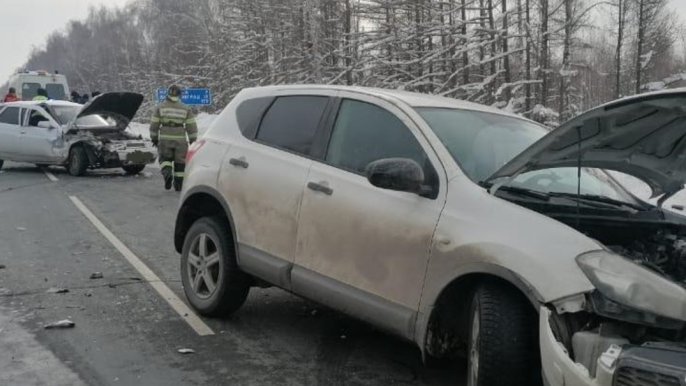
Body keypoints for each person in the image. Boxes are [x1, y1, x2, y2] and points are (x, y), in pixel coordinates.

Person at [149, 85, 197, 191]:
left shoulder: (160, 107)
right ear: (179, 95)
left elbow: (154, 124)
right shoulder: (185, 108)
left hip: (165, 138)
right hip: (180, 139)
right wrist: (193, 139)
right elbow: (191, 125)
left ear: (168, 94)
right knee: (180, 161)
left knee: (165, 159)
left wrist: (154, 137)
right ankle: (178, 185)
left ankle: (167, 174)